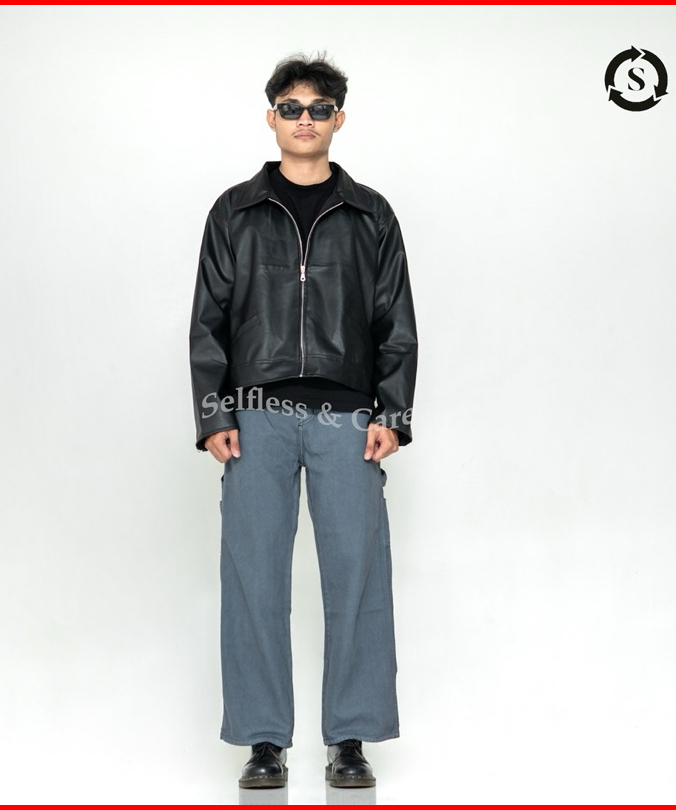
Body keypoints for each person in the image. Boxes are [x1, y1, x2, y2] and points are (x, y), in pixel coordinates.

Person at [189, 53, 418, 790]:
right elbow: (209, 318)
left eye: (319, 108)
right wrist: (214, 413)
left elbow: (395, 321)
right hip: (256, 417)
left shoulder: (371, 214)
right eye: (291, 108)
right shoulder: (234, 211)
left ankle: (349, 738)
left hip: (348, 417)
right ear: (272, 118)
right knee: (253, 576)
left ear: (338, 119)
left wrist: (392, 414)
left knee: (357, 574)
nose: (305, 120)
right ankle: (264, 741)